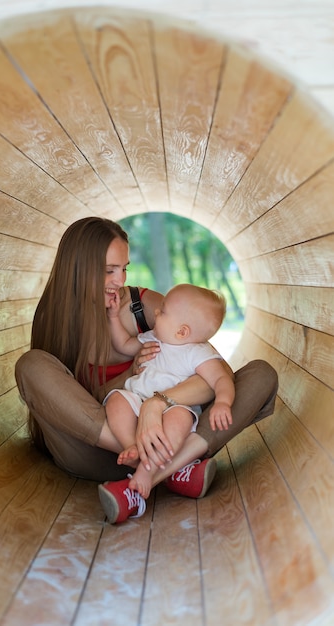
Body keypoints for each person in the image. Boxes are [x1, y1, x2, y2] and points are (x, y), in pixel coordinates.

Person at [14, 216, 278, 525]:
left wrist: (157, 403)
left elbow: (213, 376)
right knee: (30, 365)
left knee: (261, 374)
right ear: (78, 268)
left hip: (169, 432)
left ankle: (156, 471)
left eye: (123, 268)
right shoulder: (53, 319)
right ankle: (169, 467)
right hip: (98, 447)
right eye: (108, 270)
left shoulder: (145, 306)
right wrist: (129, 378)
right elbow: (74, 405)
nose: (119, 280)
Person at [101, 283, 234, 506]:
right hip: (137, 396)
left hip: (173, 406)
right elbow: (124, 345)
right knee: (116, 400)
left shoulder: (198, 353)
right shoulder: (153, 338)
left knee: (180, 419)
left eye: (162, 312)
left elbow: (221, 379)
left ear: (182, 331)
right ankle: (131, 445)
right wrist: (114, 318)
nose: (155, 312)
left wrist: (223, 401)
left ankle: (146, 471)